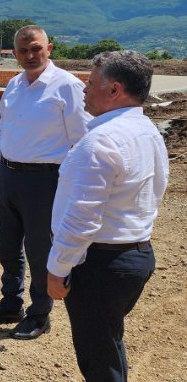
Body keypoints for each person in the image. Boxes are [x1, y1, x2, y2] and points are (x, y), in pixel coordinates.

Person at [47, 51, 168, 381]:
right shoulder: (147, 131)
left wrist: (57, 269)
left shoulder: (99, 142)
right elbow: (159, 186)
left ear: (114, 90)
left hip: (100, 265)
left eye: (90, 82)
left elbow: (82, 219)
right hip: (136, 255)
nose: (83, 89)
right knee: (108, 343)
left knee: (99, 358)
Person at [0, 25, 91, 339]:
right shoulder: (13, 85)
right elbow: (3, 130)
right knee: (8, 247)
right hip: (10, 176)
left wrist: (77, 185)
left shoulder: (67, 86)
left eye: (36, 48)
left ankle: (39, 314)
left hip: (46, 180)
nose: (30, 55)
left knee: (40, 250)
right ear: (14, 54)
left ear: (49, 48)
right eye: (23, 51)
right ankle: (10, 303)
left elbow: (84, 140)